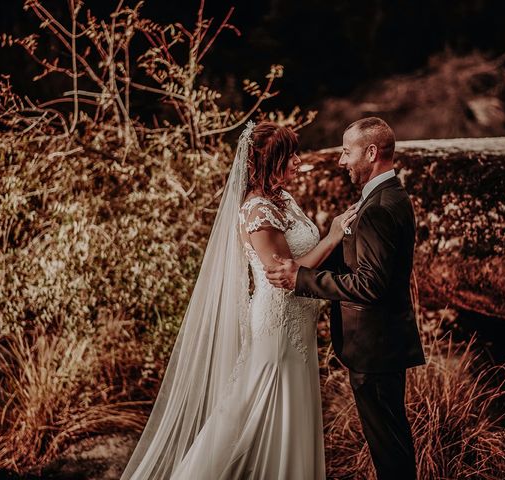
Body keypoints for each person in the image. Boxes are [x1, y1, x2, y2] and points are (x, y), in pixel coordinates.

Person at [120, 120, 358, 480]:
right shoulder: (257, 211)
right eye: (288, 156)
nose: (297, 162)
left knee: (287, 413)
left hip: (299, 326)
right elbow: (286, 276)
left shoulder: (284, 200)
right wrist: (333, 236)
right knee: (250, 409)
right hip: (278, 326)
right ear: (266, 163)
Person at [265, 117, 426, 480]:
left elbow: (370, 285)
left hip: (375, 350)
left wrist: (301, 278)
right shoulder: (387, 196)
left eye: (346, 152)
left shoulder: (380, 208)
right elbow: (368, 265)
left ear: (371, 152)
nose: (341, 161)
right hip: (381, 346)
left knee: (389, 449)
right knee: (391, 442)